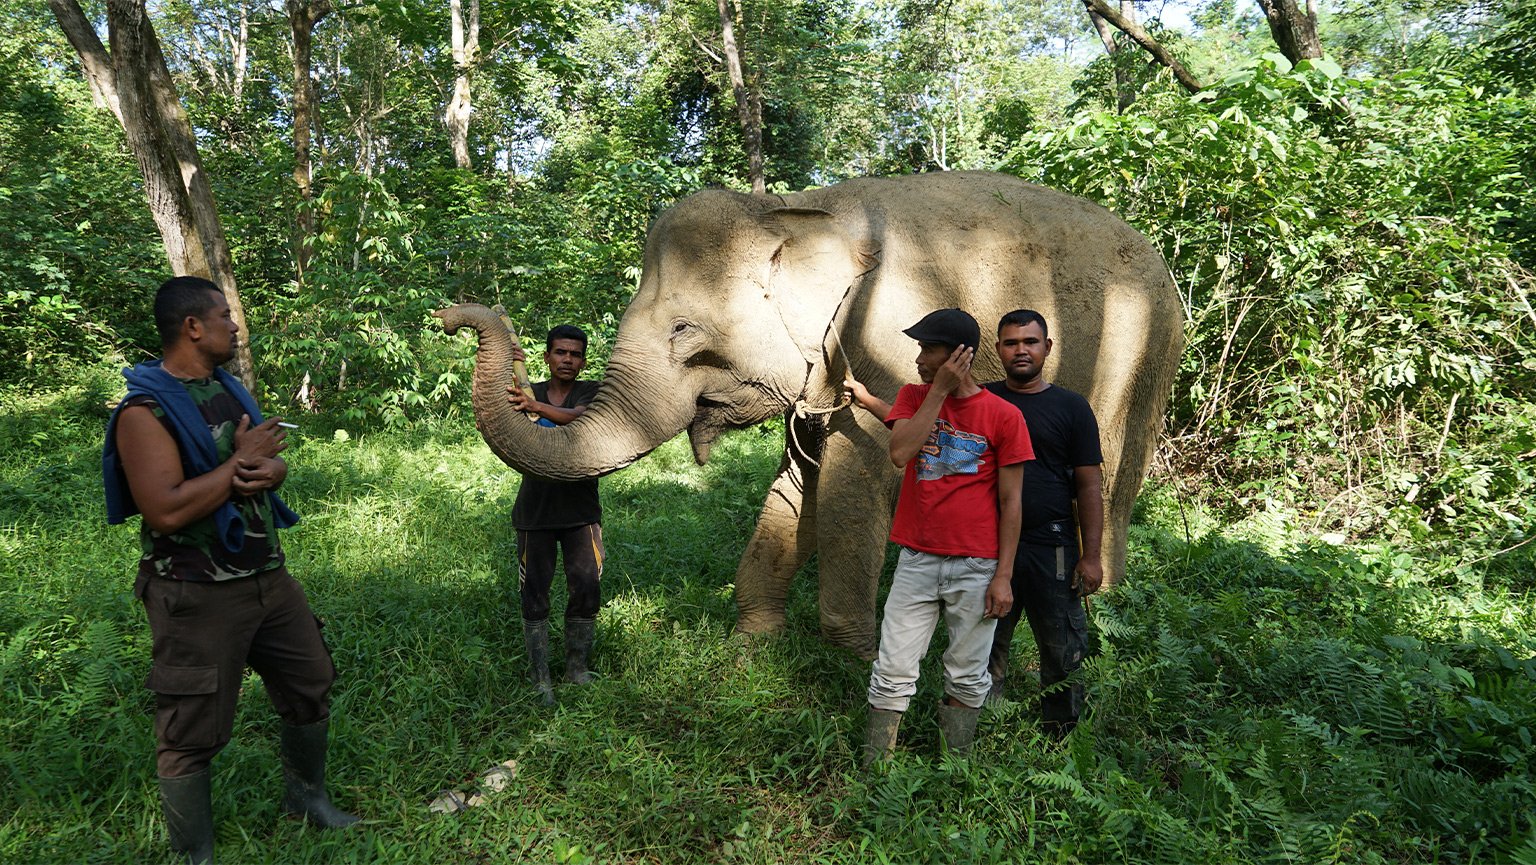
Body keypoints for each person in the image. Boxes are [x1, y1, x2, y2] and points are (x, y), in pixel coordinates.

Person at [103, 276, 357, 865]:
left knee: (310, 683)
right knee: (191, 728)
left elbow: (256, 468)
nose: (234, 323)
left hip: (267, 577)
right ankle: (196, 855)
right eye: (224, 315)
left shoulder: (227, 391)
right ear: (193, 327)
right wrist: (241, 463)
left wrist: (274, 472)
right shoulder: (144, 411)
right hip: (195, 592)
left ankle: (307, 801)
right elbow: (165, 510)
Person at [851, 308, 1033, 764]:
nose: (918, 357)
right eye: (920, 348)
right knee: (891, 668)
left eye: (928, 349)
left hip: (978, 565)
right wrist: (937, 392)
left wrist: (1004, 576)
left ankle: (954, 772)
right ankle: (877, 769)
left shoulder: (1004, 416)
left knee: (969, 675)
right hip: (917, 559)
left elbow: (1012, 503)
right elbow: (901, 451)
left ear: (958, 355)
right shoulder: (916, 397)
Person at [984, 309, 1105, 736]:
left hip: (1050, 544)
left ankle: (1062, 733)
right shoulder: (981, 400)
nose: (1021, 350)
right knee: (985, 640)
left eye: (1030, 342)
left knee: (1062, 643)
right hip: (987, 544)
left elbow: (1090, 485)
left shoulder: (1071, 407)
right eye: (1012, 342)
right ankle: (985, 726)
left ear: (1047, 348)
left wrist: (1091, 556)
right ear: (998, 348)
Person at [505, 325, 604, 705]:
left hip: (581, 512)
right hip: (536, 513)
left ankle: (576, 669)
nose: (568, 360)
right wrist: (520, 385)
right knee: (534, 593)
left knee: (587, 587)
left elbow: (583, 418)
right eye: (560, 352)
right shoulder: (529, 390)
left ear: (582, 361)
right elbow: (511, 424)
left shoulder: (591, 392)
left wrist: (538, 409)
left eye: (575, 354)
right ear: (546, 357)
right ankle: (540, 676)